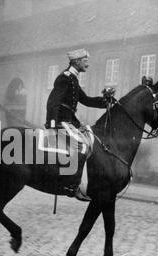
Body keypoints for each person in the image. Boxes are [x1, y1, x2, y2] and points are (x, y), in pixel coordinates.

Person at [44, 48, 109, 199]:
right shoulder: (64, 78)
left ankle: (79, 183)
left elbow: (86, 100)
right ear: (77, 61)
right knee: (82, 147)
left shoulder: (73, 79)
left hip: (70, 121)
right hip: (61, 121)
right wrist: (52, 124)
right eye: (85, 61)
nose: (87, 64)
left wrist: (105, 101)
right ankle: (70, 185)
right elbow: (52, 102)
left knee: (89, 142)